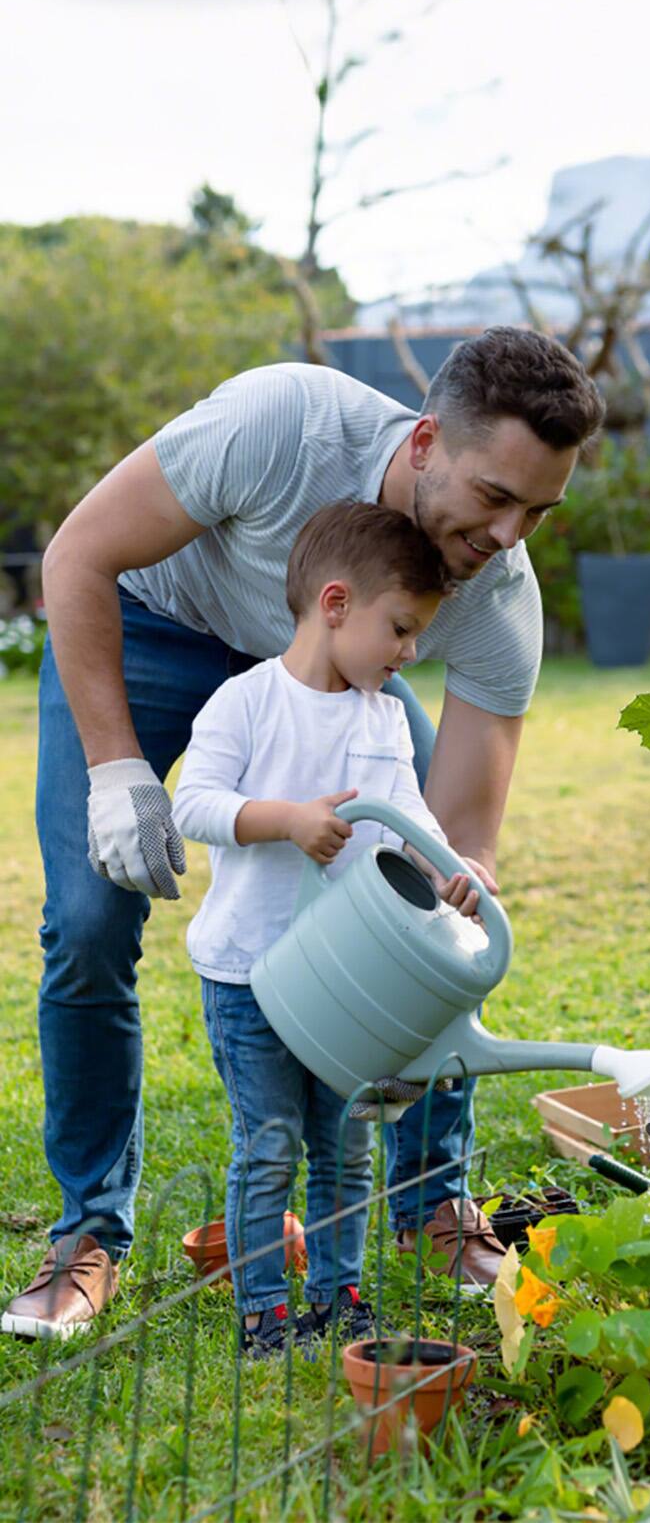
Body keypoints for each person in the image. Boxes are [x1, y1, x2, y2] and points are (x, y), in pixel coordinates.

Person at [6, 328, 603, 1339]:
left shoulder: (499, 598)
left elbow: (461, 846)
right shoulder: (281, 426)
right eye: (495, 496)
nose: (511, 536)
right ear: (425, 442)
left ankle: (429, 1202)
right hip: (154, 627)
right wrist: (116, 770)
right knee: (89, 919)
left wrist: (455, 882)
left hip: (340, 673)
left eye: (539, 511)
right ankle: (88, 1234)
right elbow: (76, 555)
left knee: (441, 920)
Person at [172, 501, 480, 1354]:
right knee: (269, 1147)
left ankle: (337, 1294)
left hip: (344, 984)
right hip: (251, 975)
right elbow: (193, 803)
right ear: (336, 604)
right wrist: (287, 820)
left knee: (346, 1148)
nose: (409, 652)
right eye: (401, 629)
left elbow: (408, 815)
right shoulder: (245, 702)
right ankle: (264, 1310)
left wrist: (446, 868)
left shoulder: (383, 715)